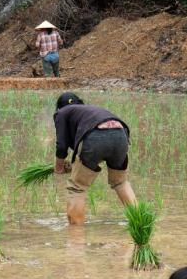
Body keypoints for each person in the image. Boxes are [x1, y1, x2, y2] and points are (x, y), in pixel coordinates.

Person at [52, 92, 137, 224]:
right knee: (121, 182)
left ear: (59, 107)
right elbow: (105, 141)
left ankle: (76, 237)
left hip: (94, 136)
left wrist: (58, 168)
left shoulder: (62, 112)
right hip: (121, 134)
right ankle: (141, 222)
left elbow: (61, 145)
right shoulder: (90, 110)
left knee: (77, 188)